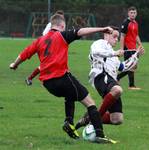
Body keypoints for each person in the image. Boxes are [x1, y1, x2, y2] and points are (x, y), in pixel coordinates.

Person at [9, 14, 116, 144]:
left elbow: (24, 54)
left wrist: (14, 64)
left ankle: (69, 122)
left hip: (48, 84)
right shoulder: (62, 35)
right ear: (62, 26)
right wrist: (101, 29)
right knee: (91, 104)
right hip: (62, 78)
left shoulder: (40, 40)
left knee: (70, 94)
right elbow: (81, 31)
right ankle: (99, 134)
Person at [75, 27, 144, 129]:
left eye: (118, 37)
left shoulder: (114, 55)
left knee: (117, 119)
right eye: (114, 36)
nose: (116, 39)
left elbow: (123, 67)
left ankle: (89, 118)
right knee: (118, 89)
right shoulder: (100, 43)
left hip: (110, 81)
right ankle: (95, 120)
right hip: (100, 76)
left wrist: (136, 56)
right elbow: (96, 52)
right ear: (106, 35)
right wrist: (114, 53)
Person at [25, 10, 65, 86]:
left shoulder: (62, 25)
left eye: (62, 17)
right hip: (47, 48)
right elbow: (44, 35)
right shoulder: (50, 25)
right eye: (60, 17)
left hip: (55, 48)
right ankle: (33, 78)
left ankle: (32, 78)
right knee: (46, 65)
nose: (61, 19)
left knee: (52, 65)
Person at [117, 6, 143, 90]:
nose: (133, 14)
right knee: (130, 66)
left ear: (136, 14)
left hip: (134, 48)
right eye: (131, 13)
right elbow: (122, 36)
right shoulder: (126, 23)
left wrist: (140, 45)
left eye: (134, 13)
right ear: (128, 13)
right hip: (127, 48)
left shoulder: (135, 23)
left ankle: (121, 79)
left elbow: (136, 36)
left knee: (133, 66)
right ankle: (130, 85)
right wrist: (121, 49)